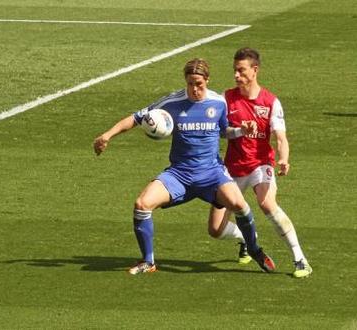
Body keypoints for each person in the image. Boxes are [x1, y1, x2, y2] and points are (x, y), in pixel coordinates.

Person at [93, 58, 276, 275]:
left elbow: (224, 131)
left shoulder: (218, 102)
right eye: (190, 84)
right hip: (179, 174)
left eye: (199, 84)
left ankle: (254, 249)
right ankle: (148, 261)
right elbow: (136, 118)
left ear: (207, 80)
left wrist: (241, 132)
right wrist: (107, 135)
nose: (195, 89)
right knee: (142, 204)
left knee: (240, 205)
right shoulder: (171, 103)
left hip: (212, 174)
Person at [207, 48, 312, 278]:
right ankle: (245, 238)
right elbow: (220, 131)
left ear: (255, 70)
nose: (236, 75)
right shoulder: (226, 98)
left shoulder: (270, 102)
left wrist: (284, 159)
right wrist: (238, 131)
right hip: (231, 170)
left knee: (266, 203)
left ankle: (300, 258)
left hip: (260, 165)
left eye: (241, 70)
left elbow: (281, 137)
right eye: (235, 70)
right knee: (215, 229)